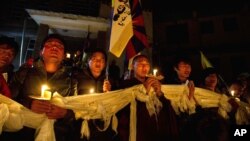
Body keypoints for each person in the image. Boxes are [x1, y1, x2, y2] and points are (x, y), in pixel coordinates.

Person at [5, 34, 77, 141]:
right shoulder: (24, 73)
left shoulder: (71, 81)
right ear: (41, 52)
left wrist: (65, 113)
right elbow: (7, 101)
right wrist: (28, 104)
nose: (54, 47)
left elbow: (76, 112)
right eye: (49, 44)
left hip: (56, 134)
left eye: (59, 46)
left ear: (63, 56)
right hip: (22, 132)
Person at [115, 54, 179, 141]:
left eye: (147, 64)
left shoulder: (156, 82)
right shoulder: (126, 85)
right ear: (133, 67)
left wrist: (159, 93)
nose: (144, 67)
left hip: (156, 128)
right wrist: (144, 91)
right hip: (139, 129)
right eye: (140, 64)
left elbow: (166, 108)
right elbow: (124, 109)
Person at [72, 48, 116, 141]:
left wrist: (109, 93)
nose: (98, 62)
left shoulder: (109, 80)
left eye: (102, 60)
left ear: (105, 64)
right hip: (81, 123)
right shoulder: (78, 76)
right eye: (95, 59)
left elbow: (115, 102)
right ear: (88, 61)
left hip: (101, 125)